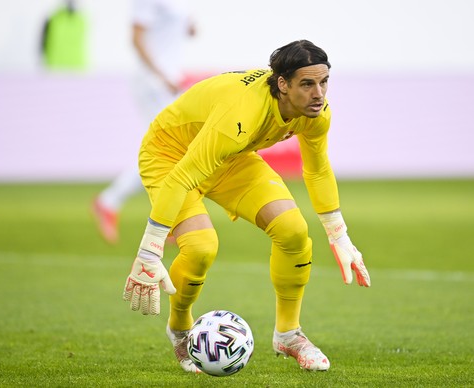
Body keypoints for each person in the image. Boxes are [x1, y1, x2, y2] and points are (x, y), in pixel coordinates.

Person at [122, 40, 371, 373]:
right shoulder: (241, 114)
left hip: (229, 158)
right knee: (200, 249)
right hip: (170, 155)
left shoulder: (316, 113)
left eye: (324, 82)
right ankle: (180, 329)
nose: (319, 93)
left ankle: (289, 334)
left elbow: (317, 168)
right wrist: (149, 251)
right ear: (282, 84)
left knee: (293, 231)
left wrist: (338, 235)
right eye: (307, 84)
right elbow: (182, 177)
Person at [92, 0, 195, 244]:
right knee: (167, 149)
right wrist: (161, 76)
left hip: (170, 79)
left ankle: (115, 203)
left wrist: (189, 26)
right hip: (154, 82)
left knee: (174, 149)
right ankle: (116, 203)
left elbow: (186, 30)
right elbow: (136, 39)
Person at [40, 0, 89, 71]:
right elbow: (43, 41)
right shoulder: (53, 18)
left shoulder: (82, 19)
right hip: (55, 67)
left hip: (77, 66)